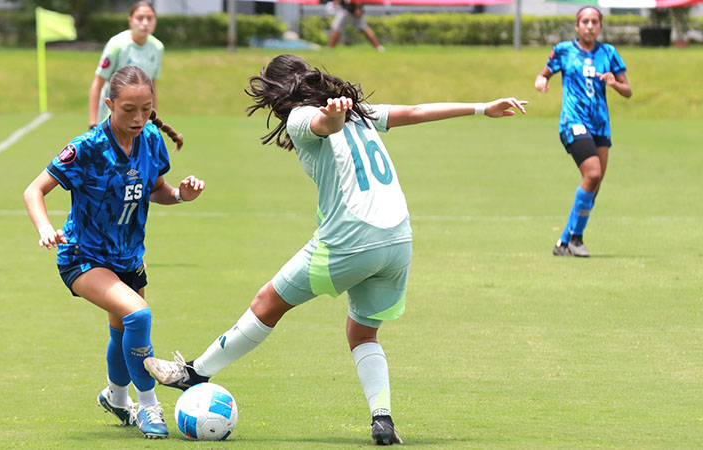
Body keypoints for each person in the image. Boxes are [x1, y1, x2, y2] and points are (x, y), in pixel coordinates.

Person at [143, 54, 526, 445]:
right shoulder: (359, 112)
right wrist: (483, 107)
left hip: (350, 241)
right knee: (362, 333)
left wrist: (334, 117)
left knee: (267, 304)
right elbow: (414, 110)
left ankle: (196, 373)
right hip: (398, 241)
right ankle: (383, 419)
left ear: (277, 95)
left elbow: (323, 125)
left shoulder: (303, 117)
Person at [24, 65, 204, 439]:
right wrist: (45, 229)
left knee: (121, 330)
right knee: (139, 316)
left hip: (129, 258)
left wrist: (180, 196)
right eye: (128, 110)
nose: (138, 118)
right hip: (83, 257)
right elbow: (34, 191)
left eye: (146, 108)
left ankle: (116, 397)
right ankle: (149, 406)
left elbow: (157, 189)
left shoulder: (152, 138)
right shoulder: (87, 148)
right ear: (109, 104)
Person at [534, 6, 632, 257]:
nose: (589, 26)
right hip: (573, 122)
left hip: (600, 124)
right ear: (577, 26)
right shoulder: (564, 50)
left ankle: (565, 242)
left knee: (595, 184)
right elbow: (545, 73)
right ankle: (576, 239)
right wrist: (542, 79)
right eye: (585, 21)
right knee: (593, 173)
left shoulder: (609, 52)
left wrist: (614, 83)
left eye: (594, 22)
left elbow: (627, 90)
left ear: (600, 26)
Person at [89, 1, 163, 129]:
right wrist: (93, 122)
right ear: (130, 20)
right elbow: (98, 83)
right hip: (114, 117)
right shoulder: (116, 45)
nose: (145, 23)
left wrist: (154, 121)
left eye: (149, 18)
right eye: (140, 18)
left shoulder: (157, 47)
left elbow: (152, 86)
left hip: (141, 119)